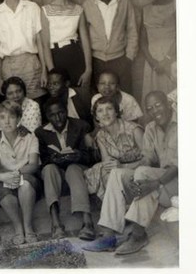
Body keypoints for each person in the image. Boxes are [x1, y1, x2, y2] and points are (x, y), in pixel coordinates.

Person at [83, 91, 177, 255]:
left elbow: (180, 166)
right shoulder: (151, 128)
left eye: (158, 105)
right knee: (116, 174)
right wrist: (123, 169)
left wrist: (155, 183)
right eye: (150, 108)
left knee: (141, 172)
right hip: (161, 178)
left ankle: (138, 234)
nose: (155, 111)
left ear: (169, 104)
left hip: (180, 182)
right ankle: (108, 235)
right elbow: (147, 159)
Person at [35, 98, 95, 240]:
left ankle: (87, 222)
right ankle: (56, 223)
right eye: (52, 115)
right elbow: (41, 161)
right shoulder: (40, 133)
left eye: (61, 113)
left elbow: (92, 158)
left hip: (77, 169)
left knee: (73, 169)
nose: (58, 118)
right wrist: (53, 159)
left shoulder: (81, 126)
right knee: (49, 169)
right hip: (56, 172)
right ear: (47, 117)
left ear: (67, 111)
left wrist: (78, 156)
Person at [0, 100, 41, 245]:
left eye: (11, 117)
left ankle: (28, 227)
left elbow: (34, 164)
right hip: (4, 179)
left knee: (26, 184)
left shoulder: (30, 138)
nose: (7, 121)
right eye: (2, 118)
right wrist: (4, 177)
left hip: (25, 176)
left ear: (18, 119)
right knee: (3, 193)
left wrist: (15, 174)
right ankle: (18, 228)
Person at [0, 0, 47, 101]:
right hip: (9, 66)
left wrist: (44, 70)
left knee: (36, 103)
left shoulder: (32, 7)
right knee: (15, 108)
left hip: (31, 64)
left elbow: (40, 40)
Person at [82, 0, 138, 94]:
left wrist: (129, 58)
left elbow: (132, 30)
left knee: (124, 95)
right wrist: (89, 63)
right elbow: (83, 36)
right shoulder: (87, 5)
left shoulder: (124, 1)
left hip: (120, 59)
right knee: (101, 100)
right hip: (97, 61)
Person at [41, 0, 92, 91]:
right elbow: (45, 45)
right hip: (56, 56)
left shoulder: (78, 9)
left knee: (80, 94)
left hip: (75, 56)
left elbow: (85, 41)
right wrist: (51, 71)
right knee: (61, 97)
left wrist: (88, 69)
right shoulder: (45, 10)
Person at [85, 96, 144, 200]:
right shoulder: (101, 136)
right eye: (100, 111)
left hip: (138, 171)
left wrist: (123, 166)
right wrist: (112, 166)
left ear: (116, 112)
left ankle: (115, 208)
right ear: (97, 117)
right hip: (117, 175)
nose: (105, 113)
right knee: (105, 171)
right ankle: (115, 207)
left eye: (109, 109)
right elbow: (107, 162)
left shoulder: (134, 130)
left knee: (113, 174)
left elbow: (150, 160)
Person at [140, 0, 177, 102]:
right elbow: (143, 40)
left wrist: (167, 60)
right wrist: (151, 61)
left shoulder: (175, 6)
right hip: (153, 63)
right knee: (155, 98)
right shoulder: (145, 10)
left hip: (172, 59)